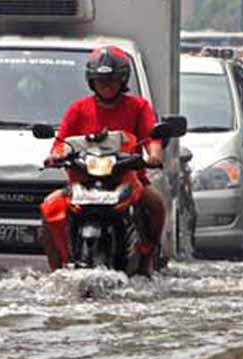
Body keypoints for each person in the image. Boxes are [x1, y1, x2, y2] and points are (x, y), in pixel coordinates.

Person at [39, 45, 165, 276]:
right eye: (101, 80)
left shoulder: (139, 107)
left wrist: (154, 156)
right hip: (83, 180)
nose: (106, 85)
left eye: (112, 80)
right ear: (91, 81)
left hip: (128, 179)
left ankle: (147, 254)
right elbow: (61, 141)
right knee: (49, 208)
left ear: (123, 80)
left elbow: (151, 137)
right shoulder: (78, 109)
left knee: (155, 204)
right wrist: (55, 156)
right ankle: (57, 269)